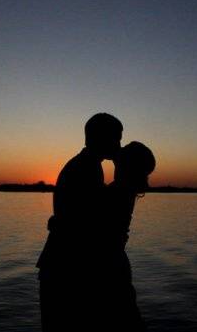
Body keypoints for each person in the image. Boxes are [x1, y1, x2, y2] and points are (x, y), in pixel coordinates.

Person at [36, 113, 123, 332]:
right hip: (65, 270)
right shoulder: (86, 167)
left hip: (61, 264)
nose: (118, 145)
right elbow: (91, 218)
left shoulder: (86, 164)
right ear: (100, 138)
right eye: (116, 138)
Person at [97, 141, 156, 332]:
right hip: (116, 260)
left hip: (111, 263)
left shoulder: (120, 190)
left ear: (127, 166)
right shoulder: (125, 186)